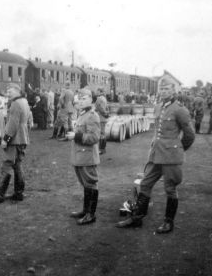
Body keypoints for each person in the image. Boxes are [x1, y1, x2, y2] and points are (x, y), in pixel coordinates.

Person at [116, 78, 195, 233]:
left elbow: (190, 135)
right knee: (145, 184)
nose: (163, 91)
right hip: (157, 154)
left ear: (173, 91)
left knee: (170, 188)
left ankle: (168, 222)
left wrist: (177, 150)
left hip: (170, 156)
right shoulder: (159, 106)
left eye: (167, 89)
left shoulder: (180, 109)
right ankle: (137, 218)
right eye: (161, 88)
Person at [0, 83, 33, 204]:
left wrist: (5, 140)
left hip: (15, 139)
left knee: (7, 164)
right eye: (7, 90)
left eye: (10, 90)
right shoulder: (24, 101)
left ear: (17, 90)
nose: (8, 92)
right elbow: (27, 121)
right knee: (17, 164)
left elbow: (12, 124)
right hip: (22, 138)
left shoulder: (16, 103)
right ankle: (18, 193)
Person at [67, 88, 101, 225]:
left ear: (91, 99)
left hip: (87, 157)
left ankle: (91, 215)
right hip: (80, 156)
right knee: (85, 184)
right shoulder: (82, 114)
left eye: (84, 99)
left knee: (91, 184)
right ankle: (86, 210)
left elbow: (94, 137)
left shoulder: (92, 115)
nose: (80, 101)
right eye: (79, 99)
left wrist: (76, 136)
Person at [94, 88, 109, 154]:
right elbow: (107, 108)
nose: (96, 92)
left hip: (100, 117)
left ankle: (101, 149)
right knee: (103, 133)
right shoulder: (104, 98)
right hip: (103, 118)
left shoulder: (99, 99)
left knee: (101, 134)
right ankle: (103, 149)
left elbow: (100, 109)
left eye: (97, 91)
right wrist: (106, 113)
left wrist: (104, 113)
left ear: (100, 91)